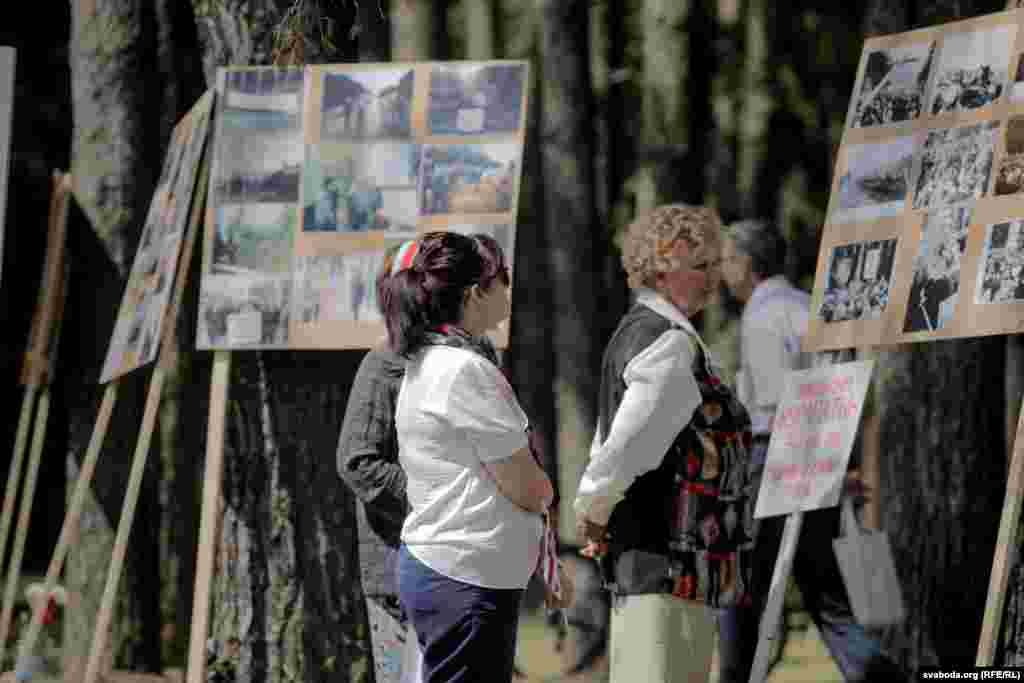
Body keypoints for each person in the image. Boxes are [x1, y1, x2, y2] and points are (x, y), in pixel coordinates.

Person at [573, 204, 757, 678]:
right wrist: (593, 510)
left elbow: (610, 438)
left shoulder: (642, 332)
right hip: (664, 559)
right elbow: (630, 444)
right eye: (701, 266)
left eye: (716, 264)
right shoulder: (667, 342)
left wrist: (596, 509)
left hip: (660, 563)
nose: (713, 278)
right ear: (663, 263)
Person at [720, 218, 908, 682]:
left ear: (746, 264)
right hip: (819, 454)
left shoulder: (762, 315)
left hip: (775, 459)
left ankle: (734, 675)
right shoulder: (810, 307)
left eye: (726, 260)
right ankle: (877, 676)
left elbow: (772, 402)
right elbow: (846, 392)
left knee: (744, 586)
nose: (722, 271)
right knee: (828, 595)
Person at [386, 231, 554, 683]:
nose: (508, 292)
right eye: (503, 280)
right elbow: (520, 482)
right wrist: (544, 489)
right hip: (466, 576)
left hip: (454, 567)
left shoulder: (434, 362)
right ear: (477, 291)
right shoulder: (463, 370)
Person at [337, 239, 422, 683]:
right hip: (398, 571)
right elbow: (356, 461)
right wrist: (428, 495)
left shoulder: (469, 356)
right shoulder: (383, 366)